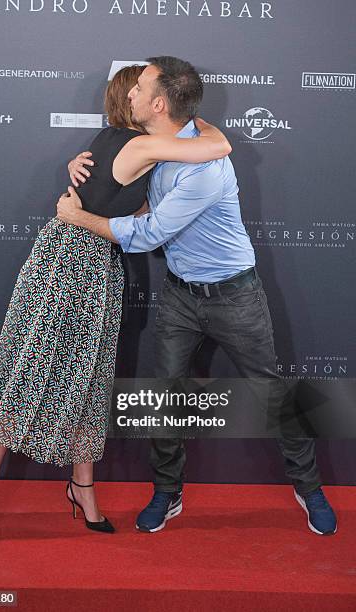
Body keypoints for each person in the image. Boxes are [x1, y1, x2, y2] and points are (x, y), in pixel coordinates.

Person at [59, 56, 338, 536]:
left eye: (139, 86)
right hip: (178, 295)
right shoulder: (162, 144)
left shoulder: (206, 167)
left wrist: (77, 217)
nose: (130, 93)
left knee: (273, 393)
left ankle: (309, 488)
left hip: (235, 296)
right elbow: (125, 186)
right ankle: (167, 492)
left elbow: (148, 233)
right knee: (164, 396)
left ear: (160, 103)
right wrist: (84, 167)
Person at [0, 64, 232, 544]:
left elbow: (136, 203)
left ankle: (82, 488)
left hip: (96, 264)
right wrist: (200, 120)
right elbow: (218, 146)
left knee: (90, 380)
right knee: (26, 374)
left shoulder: (111, 143)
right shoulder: (140, 144)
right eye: (137, 90)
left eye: (144, 89)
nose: (138, 97)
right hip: (71, 264)